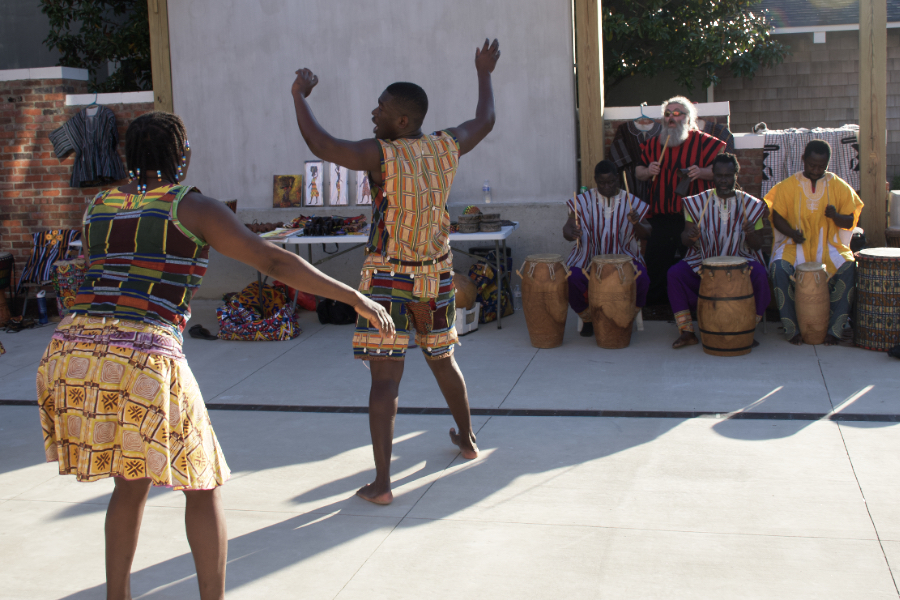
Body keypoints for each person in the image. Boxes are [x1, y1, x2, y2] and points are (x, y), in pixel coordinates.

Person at [35, 112, 394, 600]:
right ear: (182, 157)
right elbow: (271, 260)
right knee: (201, 484)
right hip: (142, 352)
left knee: (130, 479)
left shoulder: (100, 205)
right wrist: (355, 297)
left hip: (75, 348)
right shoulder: (193, 207)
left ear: (128, 158)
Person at [290, 39, 501, 505]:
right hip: (434, 277)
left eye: (381, 108)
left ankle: (383, 485)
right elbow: (484, 120)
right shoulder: (446, 145)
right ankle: (467, 440)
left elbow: (320, 144)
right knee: (443, 359)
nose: (374, 112)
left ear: (401, 120)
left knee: (385, 380)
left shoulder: (382, 154)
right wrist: (482, 71)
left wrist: (299, 97)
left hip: (388, 279)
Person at [765, 140, 863, 346]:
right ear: (803, 160)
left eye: (821, 166)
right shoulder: (788, 185)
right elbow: (776, 216)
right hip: (795, 245)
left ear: (827, 163)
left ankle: (834, 330)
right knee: (779, 268)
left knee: (848, 266)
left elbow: (851, 221)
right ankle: (792, 329)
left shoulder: (838, 185)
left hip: (829, 246)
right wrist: (792, 232)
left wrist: (836, 216)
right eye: (812, 165)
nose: (816, 170)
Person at [667, 153, 770, 349]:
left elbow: (757, 246)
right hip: (704, 261)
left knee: (760, 276)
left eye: (728, 175)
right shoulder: (696, 203)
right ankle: (687, 332)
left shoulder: (751, 205)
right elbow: (685, 240)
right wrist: (691, 236)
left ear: (735, 176)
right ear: (712, 175)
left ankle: (746, 328)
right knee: (675, 274)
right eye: (719, 175)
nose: (723, 180)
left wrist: (751, 235)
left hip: (740, 261)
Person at [635, 96, 725, 305]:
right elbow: (638, 171)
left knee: (694, 264)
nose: (671, 117)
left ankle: (695, 305)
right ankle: (657, 306)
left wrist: (701, 172)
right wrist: (648, 170)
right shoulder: (653, 145)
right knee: (656, 262)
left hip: (695, 217)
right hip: (662, 214)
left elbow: (722, 172)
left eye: (677, 113)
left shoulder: (705, 143)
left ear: (688, 117)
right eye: (668, 113)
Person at [563, 160, 651, 337]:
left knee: (642, 278)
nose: (607, 186)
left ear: (617, 179)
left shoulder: (631, 202)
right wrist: (571, 232)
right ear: (596, 180)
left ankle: (627, 315)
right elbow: (567, 229)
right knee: (571, 278)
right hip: (588, 258)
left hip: (624, 258)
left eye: (611, 182)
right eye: (602, 183)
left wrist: (637, 223)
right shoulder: (582, 201)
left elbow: (647, 233)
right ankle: (587, 317)